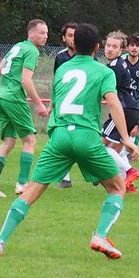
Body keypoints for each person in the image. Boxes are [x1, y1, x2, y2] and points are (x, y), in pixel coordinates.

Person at [0, 23, 138, 259]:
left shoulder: (63, 70)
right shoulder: (104, 72)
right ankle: (99, 236)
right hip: (87, 137)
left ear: (73, 44)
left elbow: (55, 104)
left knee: (30, 192)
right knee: (118, 187)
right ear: (97, 47)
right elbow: (114, 103)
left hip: (60, 137)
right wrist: (127, 139)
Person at [0, 19, 51, 197]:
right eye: (42, 33)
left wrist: (10, 79)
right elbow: (26, 80)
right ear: (31, 33)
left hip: (1, 96)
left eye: (47, 33)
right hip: (14, 98)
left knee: (9, 142)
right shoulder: (32, 51)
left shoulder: (18, 46)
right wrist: (39, 104)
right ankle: (22, 184)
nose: (45, 36)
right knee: (30, 141)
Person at [107, 31, 139, 192]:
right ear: (127, 48)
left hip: (125, 109)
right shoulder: (121, 63)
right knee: (118, 149)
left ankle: (129, 171)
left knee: (102, 148)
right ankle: (126, 183)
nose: (109, 49)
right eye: (108, 45)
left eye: (114, 46)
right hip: (130, 108)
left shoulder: (117, 66)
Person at [52, 23, 79, 188]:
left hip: (82, 107)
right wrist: (53, 103)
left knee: (81, 141)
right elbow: (56, 81)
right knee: (63, 139)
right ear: (63, 38)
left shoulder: (87, 56)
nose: (73, 39)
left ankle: (97, 171)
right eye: (70, 35)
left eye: (76, 35)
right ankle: (65, 177)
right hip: (64, 106)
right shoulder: (60, 57)